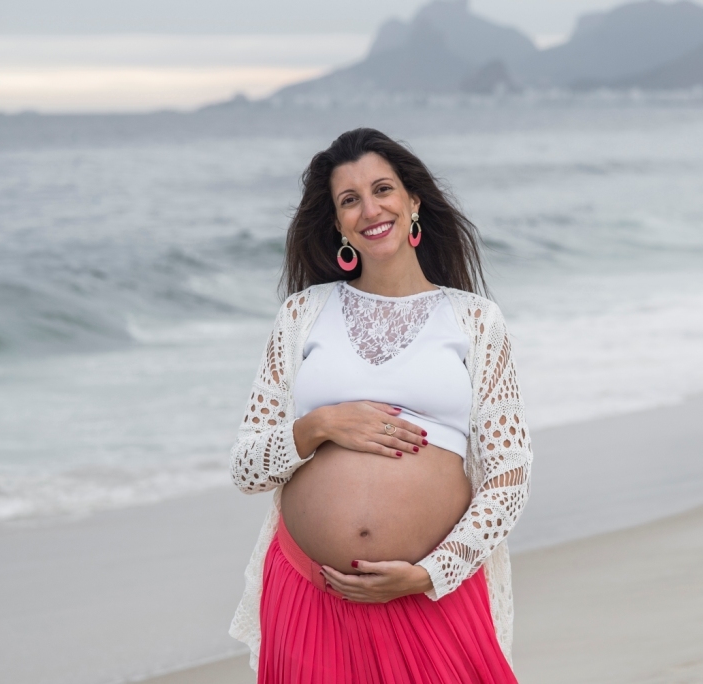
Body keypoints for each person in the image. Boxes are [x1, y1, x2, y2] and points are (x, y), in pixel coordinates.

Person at [227, 128, 533, 683]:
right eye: (349, 200)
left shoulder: (475, 320)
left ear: (413, 200)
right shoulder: (302, 315)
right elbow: (246, 467)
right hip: (308, 593)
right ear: (339, 223)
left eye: (382, 189)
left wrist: (430, 573)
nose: (370, 209)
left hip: (430, 597)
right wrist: (318, 426)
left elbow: (509, 478)